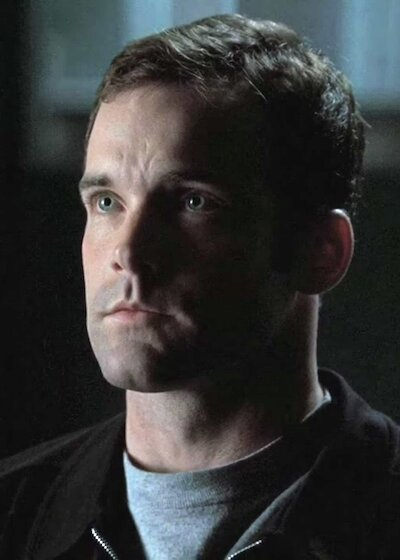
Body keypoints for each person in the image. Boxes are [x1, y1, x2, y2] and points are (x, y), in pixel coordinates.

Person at [1, 13, 399, 560]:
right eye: (107, 202)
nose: (128, 252)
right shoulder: (13, 517)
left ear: (321, 252)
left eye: (193, 202)